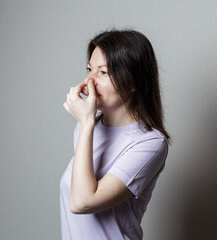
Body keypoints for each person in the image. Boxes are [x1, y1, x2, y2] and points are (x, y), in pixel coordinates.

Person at [61, 29, 170, 240]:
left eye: (103, 72)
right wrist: (87, 124)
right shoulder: (89, 128)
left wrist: (85, 123)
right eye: (89, 69)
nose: (89, 80)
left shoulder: (151, 143)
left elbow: (82, 202)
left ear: (132, 82)